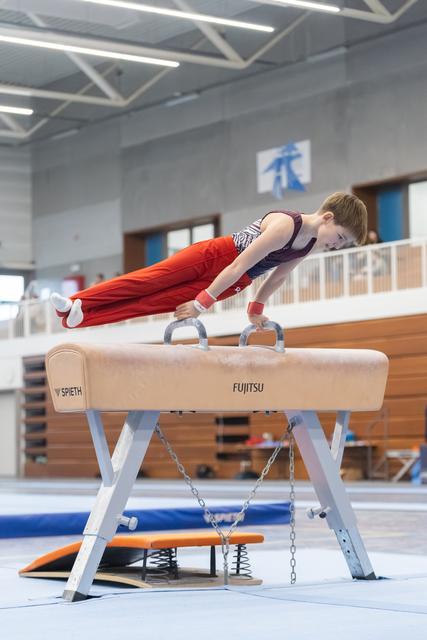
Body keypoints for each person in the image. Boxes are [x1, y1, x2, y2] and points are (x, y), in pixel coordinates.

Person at [50, 192, 367, 330]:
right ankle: (76, 300)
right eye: (339, 237)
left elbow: (278, 276)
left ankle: (82, 316)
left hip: (233, 284)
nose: (336, 246)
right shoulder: (287, 225)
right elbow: (238, 264)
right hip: (218, 257)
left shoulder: (310, 243)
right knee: (149, 281)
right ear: (327, 218)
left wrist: (256, 310)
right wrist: (202, 303)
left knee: (154, 304)